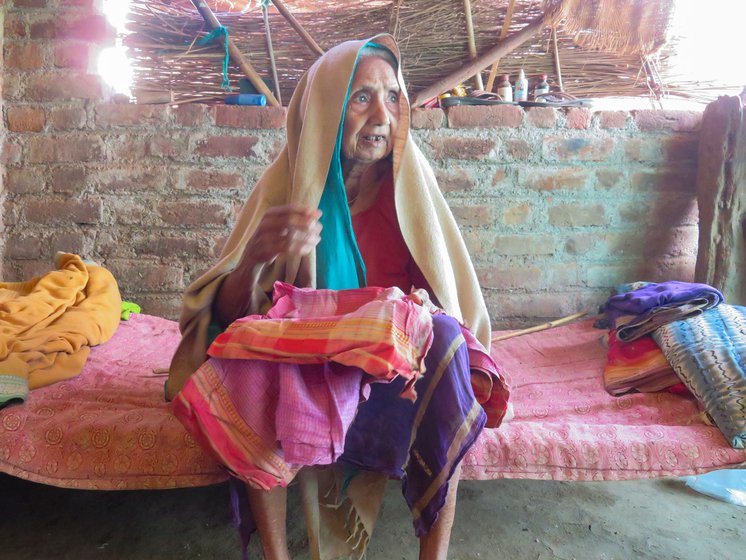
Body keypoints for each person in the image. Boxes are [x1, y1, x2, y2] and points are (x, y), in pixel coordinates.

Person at [167, 34, 508, 560]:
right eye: (360, 97)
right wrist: (257, 255)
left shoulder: (411, 185)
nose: (381, 115)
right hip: (309, 365)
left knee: (446, 344)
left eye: (392, 96)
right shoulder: (286, 187)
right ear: (325, 112)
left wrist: (408, 312)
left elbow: (451, 303)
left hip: (394, 375)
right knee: (257, 347)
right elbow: (225, 317)